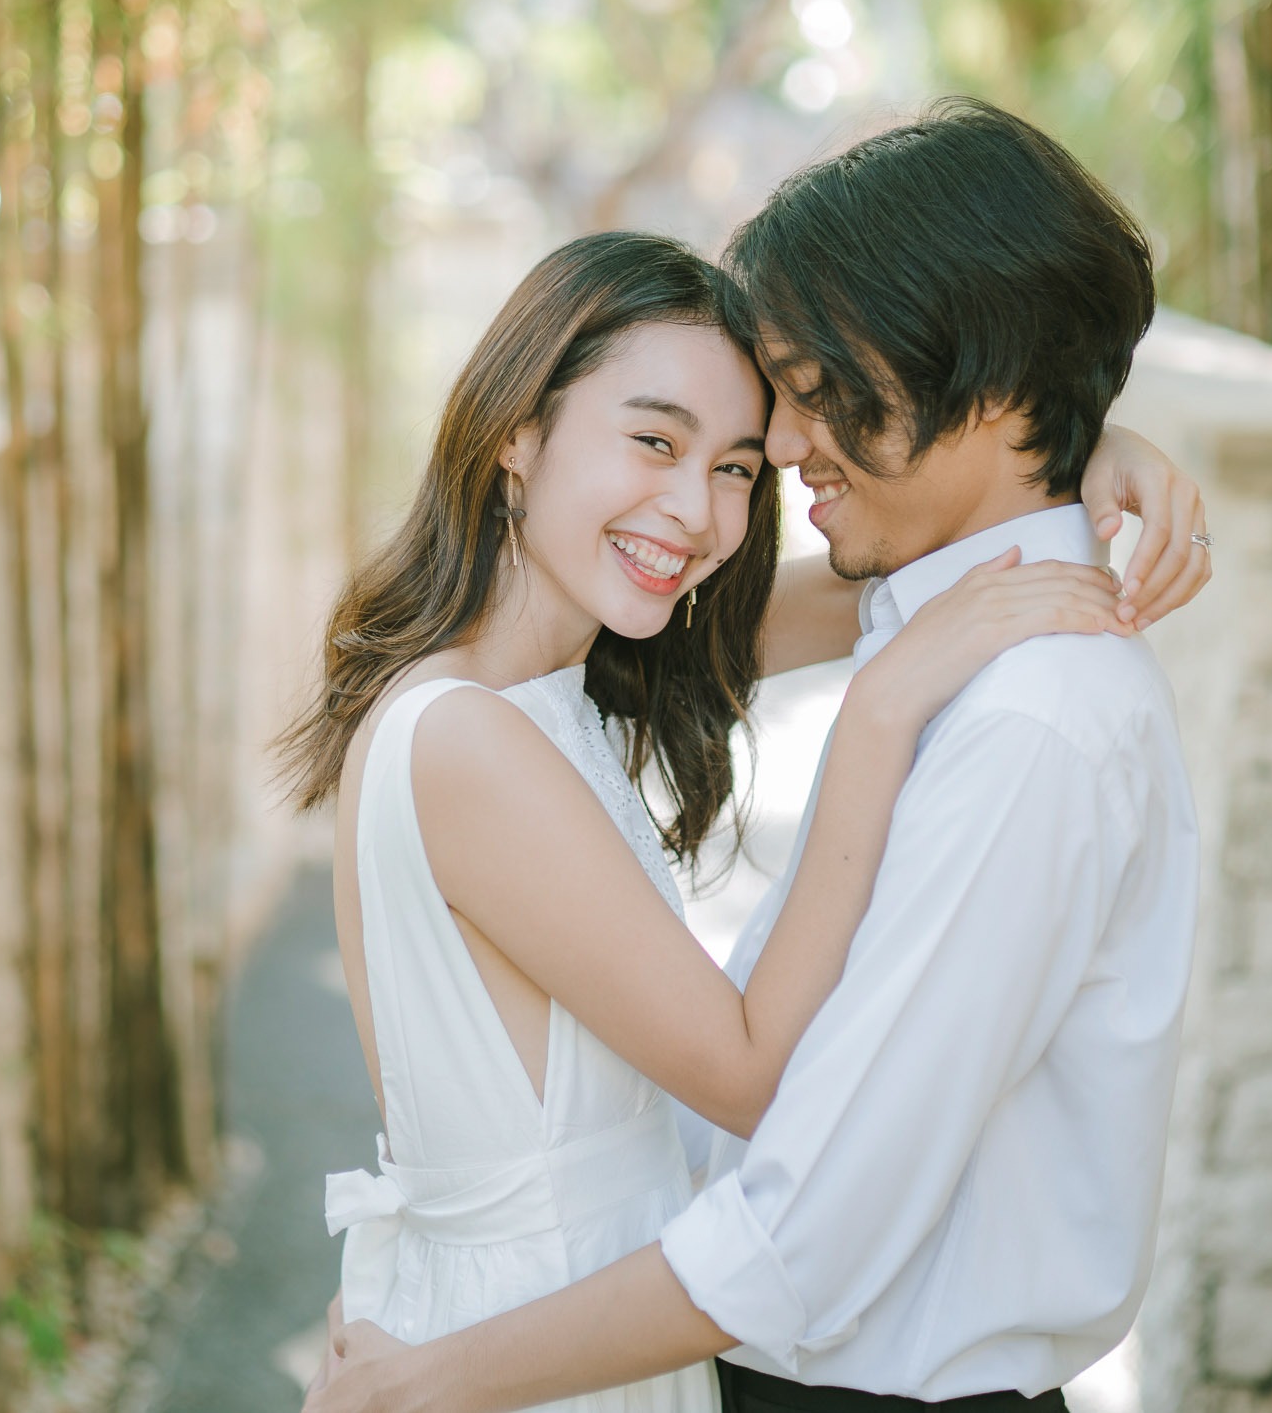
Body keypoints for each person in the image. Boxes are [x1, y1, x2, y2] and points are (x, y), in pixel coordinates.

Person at [303, 99, 1201, 1413]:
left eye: (734, 458)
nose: (741, 482)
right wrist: (888, 702)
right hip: (558, 1346)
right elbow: (746, 1075)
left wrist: (1075, 446)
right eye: (655, 441)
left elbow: (900, 586)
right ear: (518, 429)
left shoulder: (587, 678)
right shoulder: (477, 730)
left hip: (603, 1334)